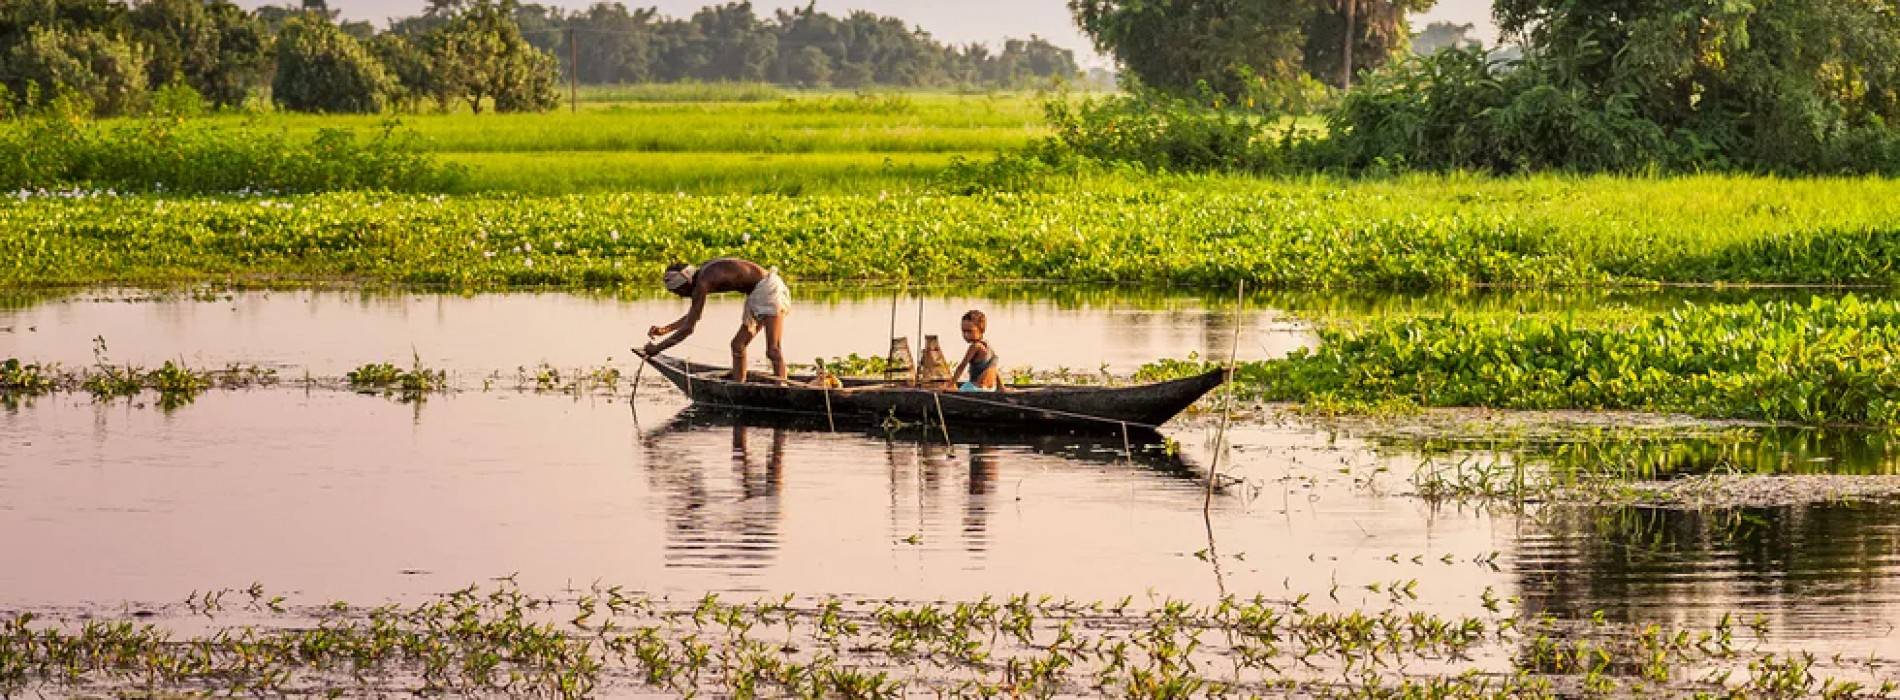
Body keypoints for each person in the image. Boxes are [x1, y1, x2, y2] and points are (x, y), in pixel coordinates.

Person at [639, 258, 790, 382]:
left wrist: (657, 349)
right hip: (757, 294)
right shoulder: (701, 276)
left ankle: (782, 389)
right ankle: (738, 386)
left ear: (686, 283)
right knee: (738, 345)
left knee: (773, 350)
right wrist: (665, 329)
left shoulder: (702, 283)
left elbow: (688, 328)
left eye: (678, 291)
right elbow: (692, 316)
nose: (680, 296)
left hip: (769, 290)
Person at [949, 309, 1001, 391]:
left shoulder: (975, 346)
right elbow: (994, 368)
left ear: (981, 330)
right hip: (989, 389)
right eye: (963, 331)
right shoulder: (987, 345)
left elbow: (962, 366)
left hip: (974, 389)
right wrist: (1001, 387)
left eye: (969, 331)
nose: (965, 335)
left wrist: (950, 385)